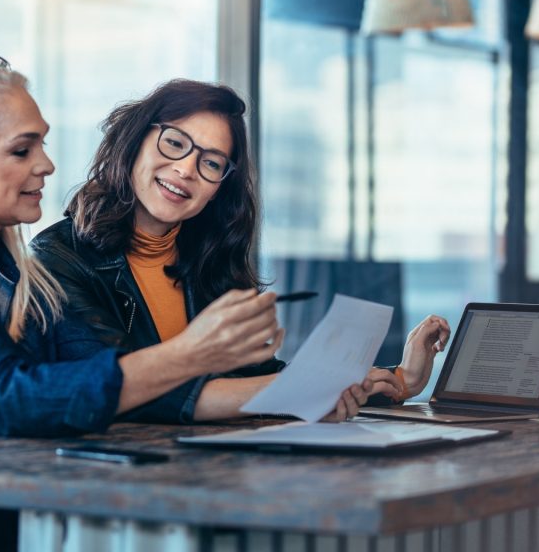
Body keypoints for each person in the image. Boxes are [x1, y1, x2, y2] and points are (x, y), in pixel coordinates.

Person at [0, 55, 372, 551]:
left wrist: (315, 388)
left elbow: (100, 375)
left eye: (42, 144)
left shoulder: (13, 273)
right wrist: (194, 353)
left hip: (17, 531)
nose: (47, 166)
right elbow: (12, 399)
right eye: (21, 149)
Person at [31, 79, 451, 423]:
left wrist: (400, 379)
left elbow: (256, 378)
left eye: (211, 163)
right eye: (175, 143)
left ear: (219, 189)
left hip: (208, 473)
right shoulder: (56, 259)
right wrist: (306, 391)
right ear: (135, 141)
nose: (186, 169)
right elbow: (125, 390)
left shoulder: (206, 259)